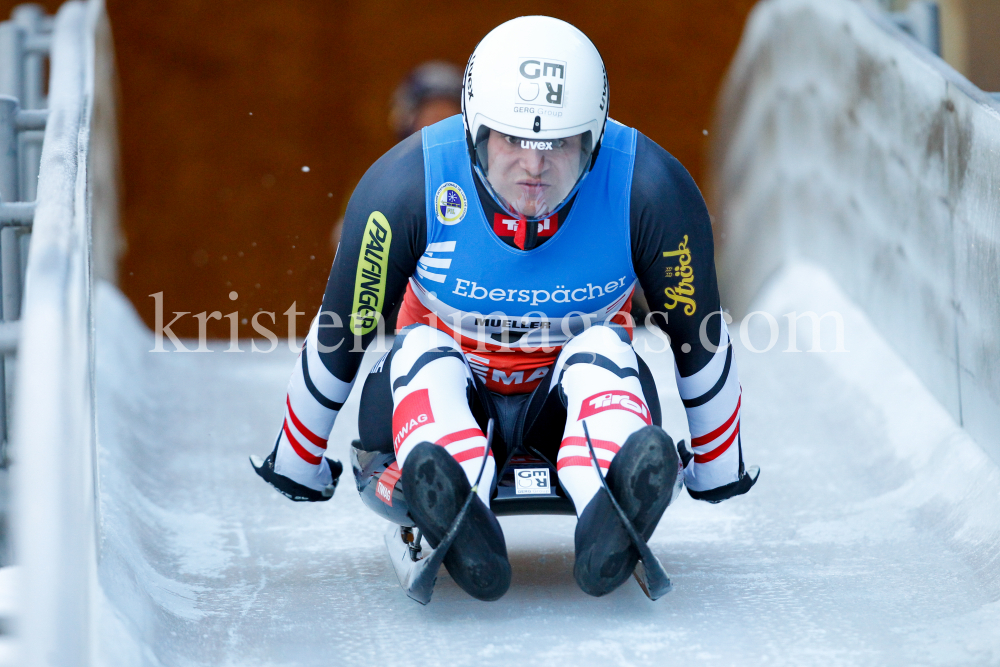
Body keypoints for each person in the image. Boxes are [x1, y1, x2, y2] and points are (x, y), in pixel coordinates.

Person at [253, 16, 758, 602]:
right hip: (445, 385)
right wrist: (298, 458)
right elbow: (344, 329)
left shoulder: (650, 188)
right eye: (513, 140)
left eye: (560, 145)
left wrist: (719, 465)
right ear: (473, 132)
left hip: (565, 400)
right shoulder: (405, 184)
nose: (534, 167)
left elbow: (698, 334)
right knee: (422, 350)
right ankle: (453, 488)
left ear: (595, 137)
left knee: (602, 350)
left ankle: (609, 504)